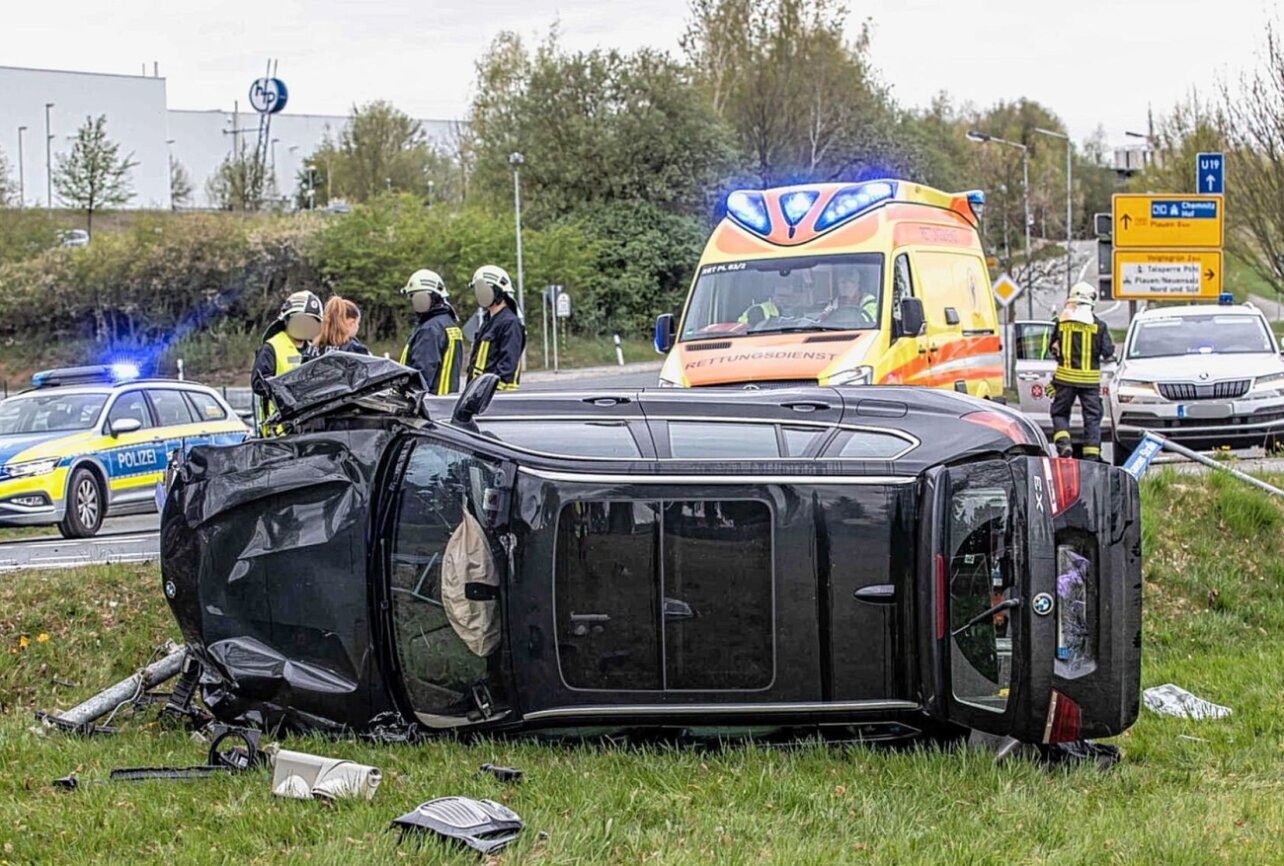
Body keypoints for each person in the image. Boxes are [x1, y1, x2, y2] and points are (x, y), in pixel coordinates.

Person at [1048, 282, 1115, 460]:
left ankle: (1064, 446)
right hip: (1089, 382)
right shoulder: (1098, 326)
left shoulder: (1061, 324)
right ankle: (1092, 456)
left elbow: (1052, 348)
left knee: (1059, 413)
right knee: (1092, 418)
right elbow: (1108, 351)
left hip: (1064, 380)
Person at [251, 290, 323, 436]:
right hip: (279, 433)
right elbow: (259, 385)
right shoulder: (272, 347)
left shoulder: (313, 350)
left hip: (308, 429)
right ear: (287, 320)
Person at [400, 269, 463, 395]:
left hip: (430, 405)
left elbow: (421, 376)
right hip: (445, 403)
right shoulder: (448, 323)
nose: (412, 301)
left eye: (413, 296)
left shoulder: (430, 329)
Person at [467, 264, 526, 391]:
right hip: (480, 395)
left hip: (497, 398)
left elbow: (507, 369)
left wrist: (487, 392)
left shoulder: (510, 323)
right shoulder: (489, 321)